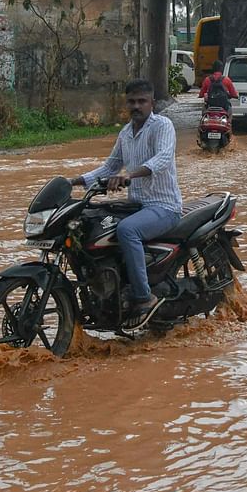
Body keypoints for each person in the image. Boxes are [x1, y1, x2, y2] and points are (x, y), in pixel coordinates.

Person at [71, 79, 183, 329]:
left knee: (126, 230)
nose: (136, 106)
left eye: (142, 101)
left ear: (152, 103)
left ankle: (144, 297)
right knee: (94, 221)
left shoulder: (162, 126)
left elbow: (163, 159)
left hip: (165, 207)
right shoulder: (126, 132)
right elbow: (110, 166)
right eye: (132, 101)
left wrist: (129, 175)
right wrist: (74, 181)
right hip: (137, 205)